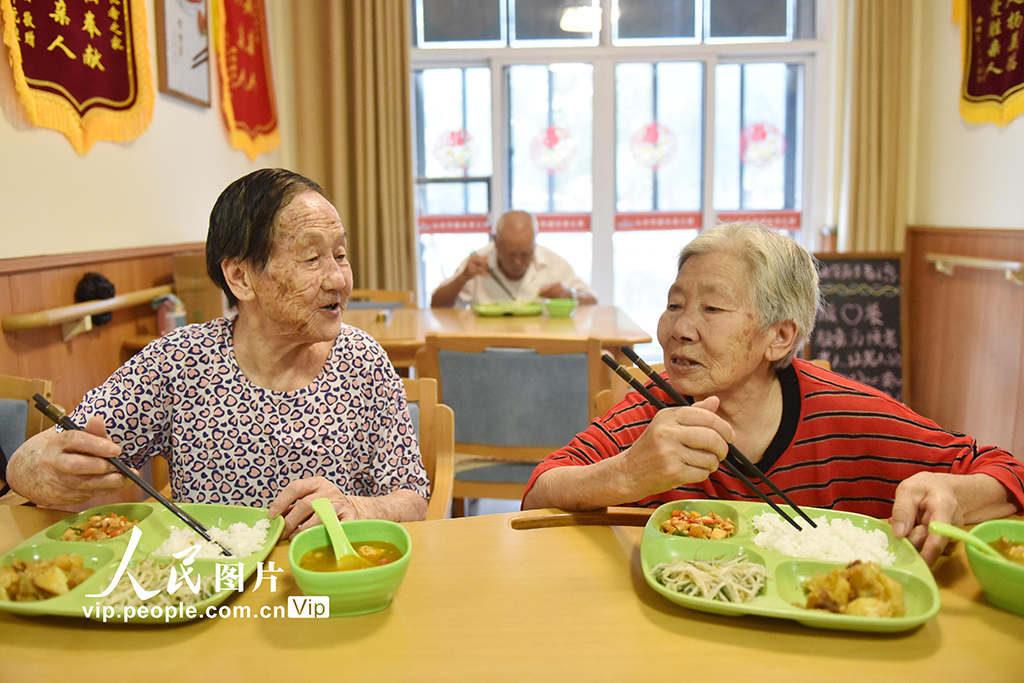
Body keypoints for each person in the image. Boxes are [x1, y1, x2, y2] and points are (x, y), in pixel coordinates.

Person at [522, 223, 1024, 565]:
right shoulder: (657, 408)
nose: (679, 328)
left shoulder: (848, 412)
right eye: (675, 304)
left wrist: (955, 494)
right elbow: (539, 492)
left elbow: (1006, 471)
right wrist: (627, 473)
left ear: (780, 337)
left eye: (712, 309)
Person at [6, 169, 430, 538]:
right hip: (210, 588)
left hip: (332, 580)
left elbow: (414, 499)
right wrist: (43, 468)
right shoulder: (179, 362)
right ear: (241, 277)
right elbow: (46, 453)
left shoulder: (363, 360)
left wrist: (360, 509)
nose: (338, 278)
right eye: (311, 257)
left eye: (340, 254)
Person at [430, 210, 598, 308]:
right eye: (510, 254)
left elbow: (592, 301)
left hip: (541, 350)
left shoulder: (552, 262)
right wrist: (462, 278)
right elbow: (436, 305)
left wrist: (569, 294)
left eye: (525, 254)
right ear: (496, 243)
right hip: (488, 351)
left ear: (534, 243)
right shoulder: (478, 263)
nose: (518, 262)